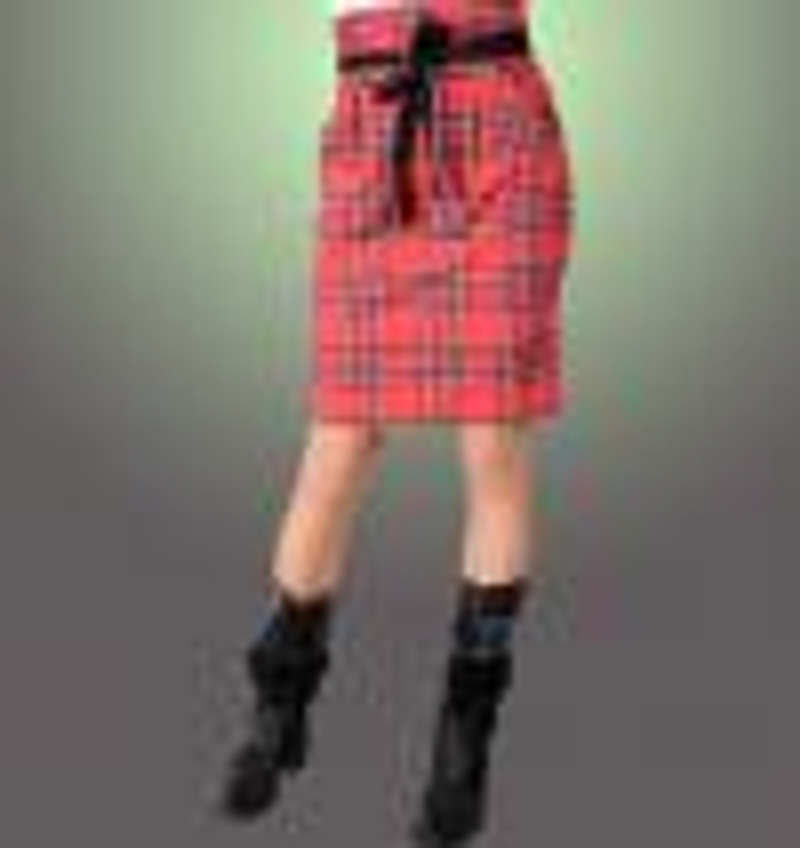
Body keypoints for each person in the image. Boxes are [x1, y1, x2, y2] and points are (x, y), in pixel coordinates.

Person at [218, 1, 575, 845]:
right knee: (339, 440)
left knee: (494, 437)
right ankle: (279, 704)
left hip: (502, 139)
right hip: (372, 124)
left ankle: (463, 743)